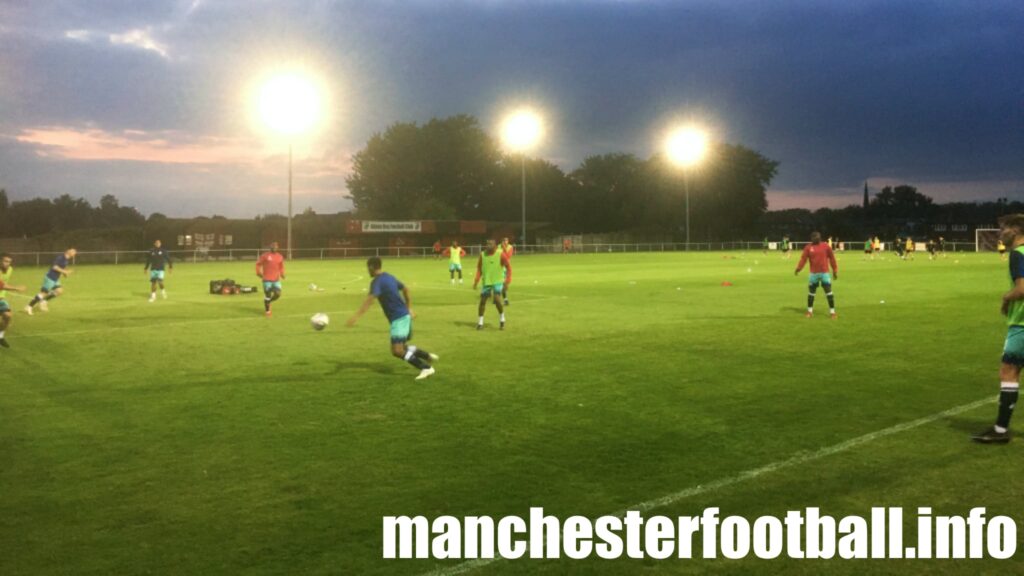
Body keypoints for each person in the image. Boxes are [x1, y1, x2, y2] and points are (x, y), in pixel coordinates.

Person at [973, 214, 1024, 443]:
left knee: (1009, 370)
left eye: (1003, 228)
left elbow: (1022, 289)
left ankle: (1001, 431)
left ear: (1016, 230)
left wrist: (1005, 298)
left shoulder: (1017, 254)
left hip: (1022, 323)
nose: (1000, 232)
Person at [346, 257, 438, 381]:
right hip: (404, 315)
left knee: (397, 350)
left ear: (372, 267)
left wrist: (355, 317)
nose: (367, 271)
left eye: (367, 268)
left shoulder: (376, 282)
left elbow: (369, 301)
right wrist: (409, 308)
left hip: (399, 318)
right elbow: (406, 289)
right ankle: (426, 355)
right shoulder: (390, 277)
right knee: (402, 347)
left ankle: (425, 368)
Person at [794, 231, 838, 319]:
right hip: (813, 274)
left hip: (824, 273)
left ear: (820, 238)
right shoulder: (808, 247)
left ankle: (832, 312)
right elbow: (803, 259)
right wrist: (798, 269)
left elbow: (832, 258)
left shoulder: (826, 246)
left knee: (829, 293)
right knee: (811, 294)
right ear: (812, 239)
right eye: (814, 237)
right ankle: (810, 311)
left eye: (817, 237)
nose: (816, 239)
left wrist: (835, 270)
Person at [473, 239, 512, 330]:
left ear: (495, 245)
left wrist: (507, 281)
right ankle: (480, 322)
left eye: (490, 244)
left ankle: (502, 318)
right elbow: (479, 269)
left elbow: (509, 267)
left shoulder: (500, 254)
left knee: (497, 299)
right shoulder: (483, 255)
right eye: (487, 244)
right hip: (487, 281)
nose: (488, 245)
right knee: (482, 301)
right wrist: (476, 281)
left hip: (498, 280)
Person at [25, 248, 76, 315]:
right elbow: (54, 267)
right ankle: (29, 306)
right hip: (50, 278)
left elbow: (62, 268)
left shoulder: (66, 260)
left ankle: (44, 301)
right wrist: (65, 271)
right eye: (74, 252)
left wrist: (65, 273)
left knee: (59, 291)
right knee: (43, 293)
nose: (75, 253)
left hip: (55, 279)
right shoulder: (60, 258)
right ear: (68, 252)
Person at [0, 253, 27, 348]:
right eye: (5, 261)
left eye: (9, 262)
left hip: (1, 298)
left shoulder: (10, 270)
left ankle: (0, 336)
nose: (7, 263)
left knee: (7, 316)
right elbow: (1, 285)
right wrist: (17, 288)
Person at [256, 241, 285, 316]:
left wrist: (282, 274)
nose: (274, 248)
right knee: (268, 295)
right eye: (273, 247)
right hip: (266, 279)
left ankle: (268, 302)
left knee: (278, 294)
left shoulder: (280, 256)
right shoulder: (265, 256)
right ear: (270, 247)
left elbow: (281, 266)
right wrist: (258, 272)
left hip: (276, 279)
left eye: (276, 247)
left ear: (277, 248)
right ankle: (267, 311)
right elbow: (258, 264)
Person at [499, 237, 515, 305]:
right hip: (499, 266)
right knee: (499, 283)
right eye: (504, 240)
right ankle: (503, 299)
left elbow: (508, 256)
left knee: (504, 284)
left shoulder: (510, 247)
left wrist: (504, 249)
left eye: (506, 240)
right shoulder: (498, 246)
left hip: (506, 266)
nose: (505, 242)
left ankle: (504, 298)